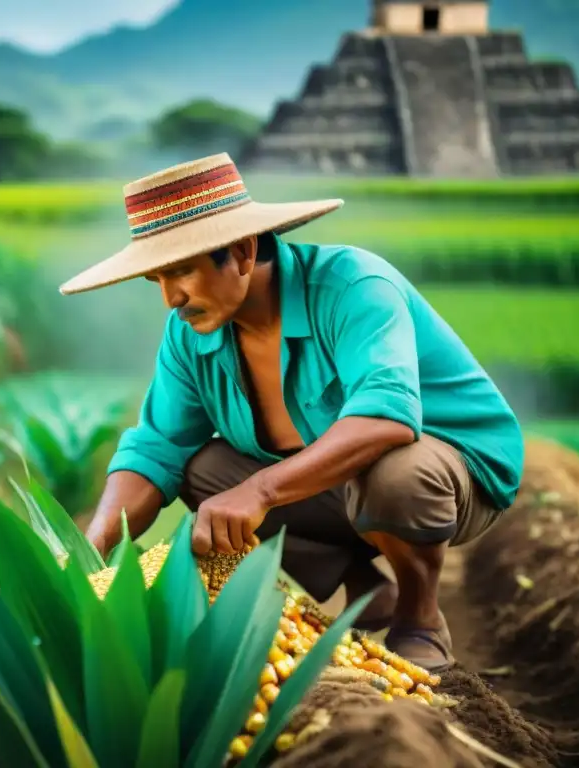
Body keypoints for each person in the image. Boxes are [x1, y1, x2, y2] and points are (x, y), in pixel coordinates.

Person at [58, 153, 524, 671]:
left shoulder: (353, 287)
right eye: (157, 281)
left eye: (181, 272)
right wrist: (92, 544)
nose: (171, 298)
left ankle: (419, 618)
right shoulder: (190, 333)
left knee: (396, 472)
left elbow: (387, 418)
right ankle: (367, 590)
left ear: (240, 251)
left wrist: (259, 490)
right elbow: (157, 447)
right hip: (326, 484)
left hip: (449, 476)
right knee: (203, 470)